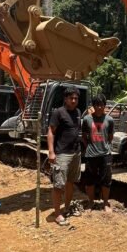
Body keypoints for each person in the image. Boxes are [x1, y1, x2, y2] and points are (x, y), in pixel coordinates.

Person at [46, 86, 82, 226]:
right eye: (71, 98)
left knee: (70, 182)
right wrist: (51, 152)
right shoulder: (58, 113)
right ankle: (57, 214)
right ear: (65, 99)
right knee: (59, 185)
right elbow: (51, 132)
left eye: (76, 98)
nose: (73, 100)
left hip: (75, 153)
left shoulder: (78, 112)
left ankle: (66, 208)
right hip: (62, 154)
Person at [82, 93, 115, 212]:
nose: (99, 107)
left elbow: (110, 137)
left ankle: (105, 202)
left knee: (106, 180)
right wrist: (90, 147)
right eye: (97, 105)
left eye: (101, 105)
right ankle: (91, 202)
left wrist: (104, 146)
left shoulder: (110, 120)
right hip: (91, 155)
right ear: (93, 106)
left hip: (105, 155)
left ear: (105, 106)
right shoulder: (86, 119)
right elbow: (84, 136)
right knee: (89, 180)